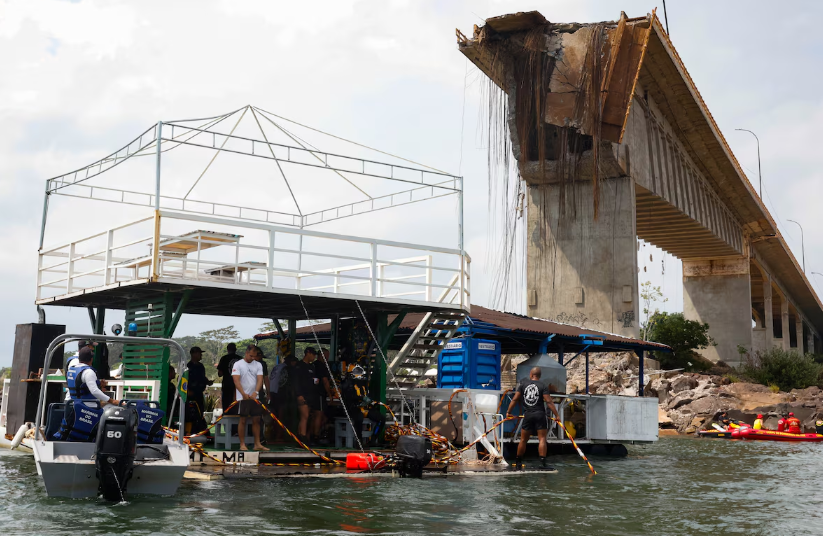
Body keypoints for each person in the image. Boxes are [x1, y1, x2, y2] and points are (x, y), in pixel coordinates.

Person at [506, 367, 561, 470]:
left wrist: (508, 412)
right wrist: (557, 415)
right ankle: (542, 464)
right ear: (539, 376)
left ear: (531, 374)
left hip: (528, 415)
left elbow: (515, 399)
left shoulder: (523, 385)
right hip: (540, 415)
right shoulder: (543, 385)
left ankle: (518, 462)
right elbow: (549, 402)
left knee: (523, 440)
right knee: (542, 439)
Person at [231, 344, 269, 451]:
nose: (253, 358)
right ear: (246, 353)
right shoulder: (238, 364)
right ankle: (242, 444)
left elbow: (260, 379)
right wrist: (243, 393)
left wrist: (256, 392)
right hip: (242, 397)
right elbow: (236, 380)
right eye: (251, 356)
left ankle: (257, 443)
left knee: (257, 419)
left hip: (254, 397)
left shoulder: (258, 365)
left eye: (255, 356)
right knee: (243, 419)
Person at [340, 365, 385, 448]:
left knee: (381, 418)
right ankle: (359, 441)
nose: (359, 375)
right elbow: (348, 397)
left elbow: (368, 395)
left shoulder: (364, 383)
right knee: (359, 417)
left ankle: (373, 440)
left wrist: (370, 401)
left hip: (364, 408)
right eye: (356, 372)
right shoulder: (347, 384)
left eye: (359, 372)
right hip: (352, 408)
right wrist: (361, 398)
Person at [295, 347, 321, 443]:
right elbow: (296, 382)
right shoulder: (299, 366)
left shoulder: (311, 367)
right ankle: (302, 437)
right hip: (302, 395)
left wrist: (315, 381)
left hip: (311, 394)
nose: (314, 357)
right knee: (304, 416)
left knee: (308, 417)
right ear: (308, 353)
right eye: (313, 354)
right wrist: (299, 395)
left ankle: (302, 436)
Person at [270, 355, 298, 441]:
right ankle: (279, 436)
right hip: (281, 393)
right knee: (281, 416)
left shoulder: (277, 367)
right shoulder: (288, 369)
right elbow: (289, 385)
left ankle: (274, 435)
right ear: (291, 362)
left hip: (272, 392)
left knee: (275, 416)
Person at [216, 343, 242, 413]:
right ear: (235, 349)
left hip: (227, 385)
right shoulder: (240, 359)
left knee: (226, 407)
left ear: (227, 349)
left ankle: (226, 422)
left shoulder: (224, 358)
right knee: (237, 407)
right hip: (239, 386)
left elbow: (220, 374)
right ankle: (236, 423)